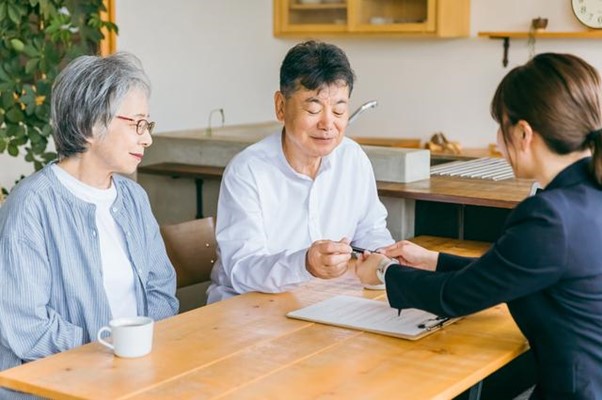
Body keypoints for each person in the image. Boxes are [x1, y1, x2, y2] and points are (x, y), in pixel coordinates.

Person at [356, 53, 602, 399]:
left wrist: (383, 272)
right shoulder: (588, 196)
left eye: (500, 127)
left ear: (523, 132)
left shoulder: (549, 216)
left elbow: (456, 297)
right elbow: (511, 274)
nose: (499, 144)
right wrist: (434, 260)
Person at [0, 52, 179, 390]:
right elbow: (26, 326)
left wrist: (138, 353)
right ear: (89, 125)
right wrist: (108, 352)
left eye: (148, 125)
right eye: (136, 124)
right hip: (58, 387)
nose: (147, 138)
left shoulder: (133, 199)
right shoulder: (31, 207)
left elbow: (161, 291)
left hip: (136, 378)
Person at [207, 40, 394, 303]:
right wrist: (304, 264)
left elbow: (371, 230)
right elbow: (242, 269)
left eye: (339, 109)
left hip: (324, 301)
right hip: (249, 308)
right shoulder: (248, 171)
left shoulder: (353, 158)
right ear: (281, 106)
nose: (328, 123)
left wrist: (383, 258)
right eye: (313, 108)